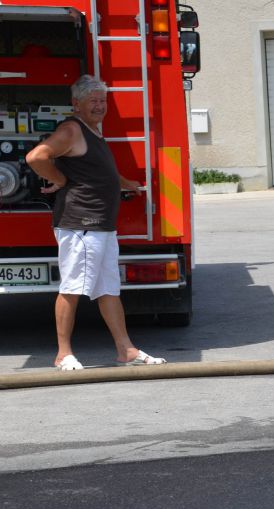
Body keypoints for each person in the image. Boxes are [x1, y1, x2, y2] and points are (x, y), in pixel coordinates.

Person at [26, 74, 166, 371]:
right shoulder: (72, 130)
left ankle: (125, 350)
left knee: (108, 290)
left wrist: (127, 183)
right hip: (81, 225)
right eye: (94, 101)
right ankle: (63, 354)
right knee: (72, 288)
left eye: (103, 100)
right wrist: (61, 180)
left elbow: (99, 172)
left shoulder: (93, 132)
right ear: (76, 104)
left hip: (101, 225)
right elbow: (36, 157)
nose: (100, 106)